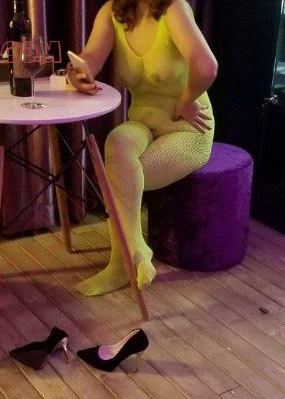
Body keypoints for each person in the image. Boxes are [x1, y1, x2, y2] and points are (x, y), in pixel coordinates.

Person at [68, 0, 217, 296]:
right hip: (143, 122)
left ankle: (120, 264)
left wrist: (186, 100)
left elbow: (207, 66)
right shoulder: (112, 11)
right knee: (116, 141)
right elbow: (91, 58)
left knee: (120, 179)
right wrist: (79, 74)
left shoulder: (174, 9)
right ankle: (136, 250)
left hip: (188, 127)